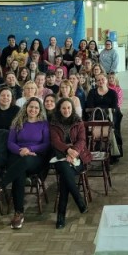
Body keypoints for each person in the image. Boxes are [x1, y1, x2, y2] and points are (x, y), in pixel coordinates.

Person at [0, 98, 51, 229]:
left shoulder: (43, 124)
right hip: (17, 155)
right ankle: (18, 214)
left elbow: (46, 144)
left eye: (36, 108)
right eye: (31, 107)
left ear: (40, 110)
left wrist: (30, 149)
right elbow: (10, 143)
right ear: (26, 107)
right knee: (19, 173)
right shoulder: (18, 122)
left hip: (35, 157)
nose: (33, 110)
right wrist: (20, 151)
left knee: (23, 163)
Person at [50, 98, 92, 229]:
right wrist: (67, 150)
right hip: (60, 157)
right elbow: (55, 141)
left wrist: (73, 151)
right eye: (63, 108)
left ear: (72, 108)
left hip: (78, 157)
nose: (66, 110)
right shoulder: (53, 123)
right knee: (64, 169)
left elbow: (82, 140)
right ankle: (79, 200)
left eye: (68, 108)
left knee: (65, 177)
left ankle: (61, 216)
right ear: (59, 109)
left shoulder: (78, 121)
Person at [86, 74, 123, 159]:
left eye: (102, 79)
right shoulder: (92, 92)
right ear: (96, 82)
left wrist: (106, 113)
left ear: (106, 80)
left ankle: (114, 152)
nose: (101, 81)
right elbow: (90, 106)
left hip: (110, 116)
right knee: (98, 113)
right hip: (96, 116)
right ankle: (97, 151)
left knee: (112, 123)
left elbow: (114, 107)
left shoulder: (113, 93)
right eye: (98, 80)